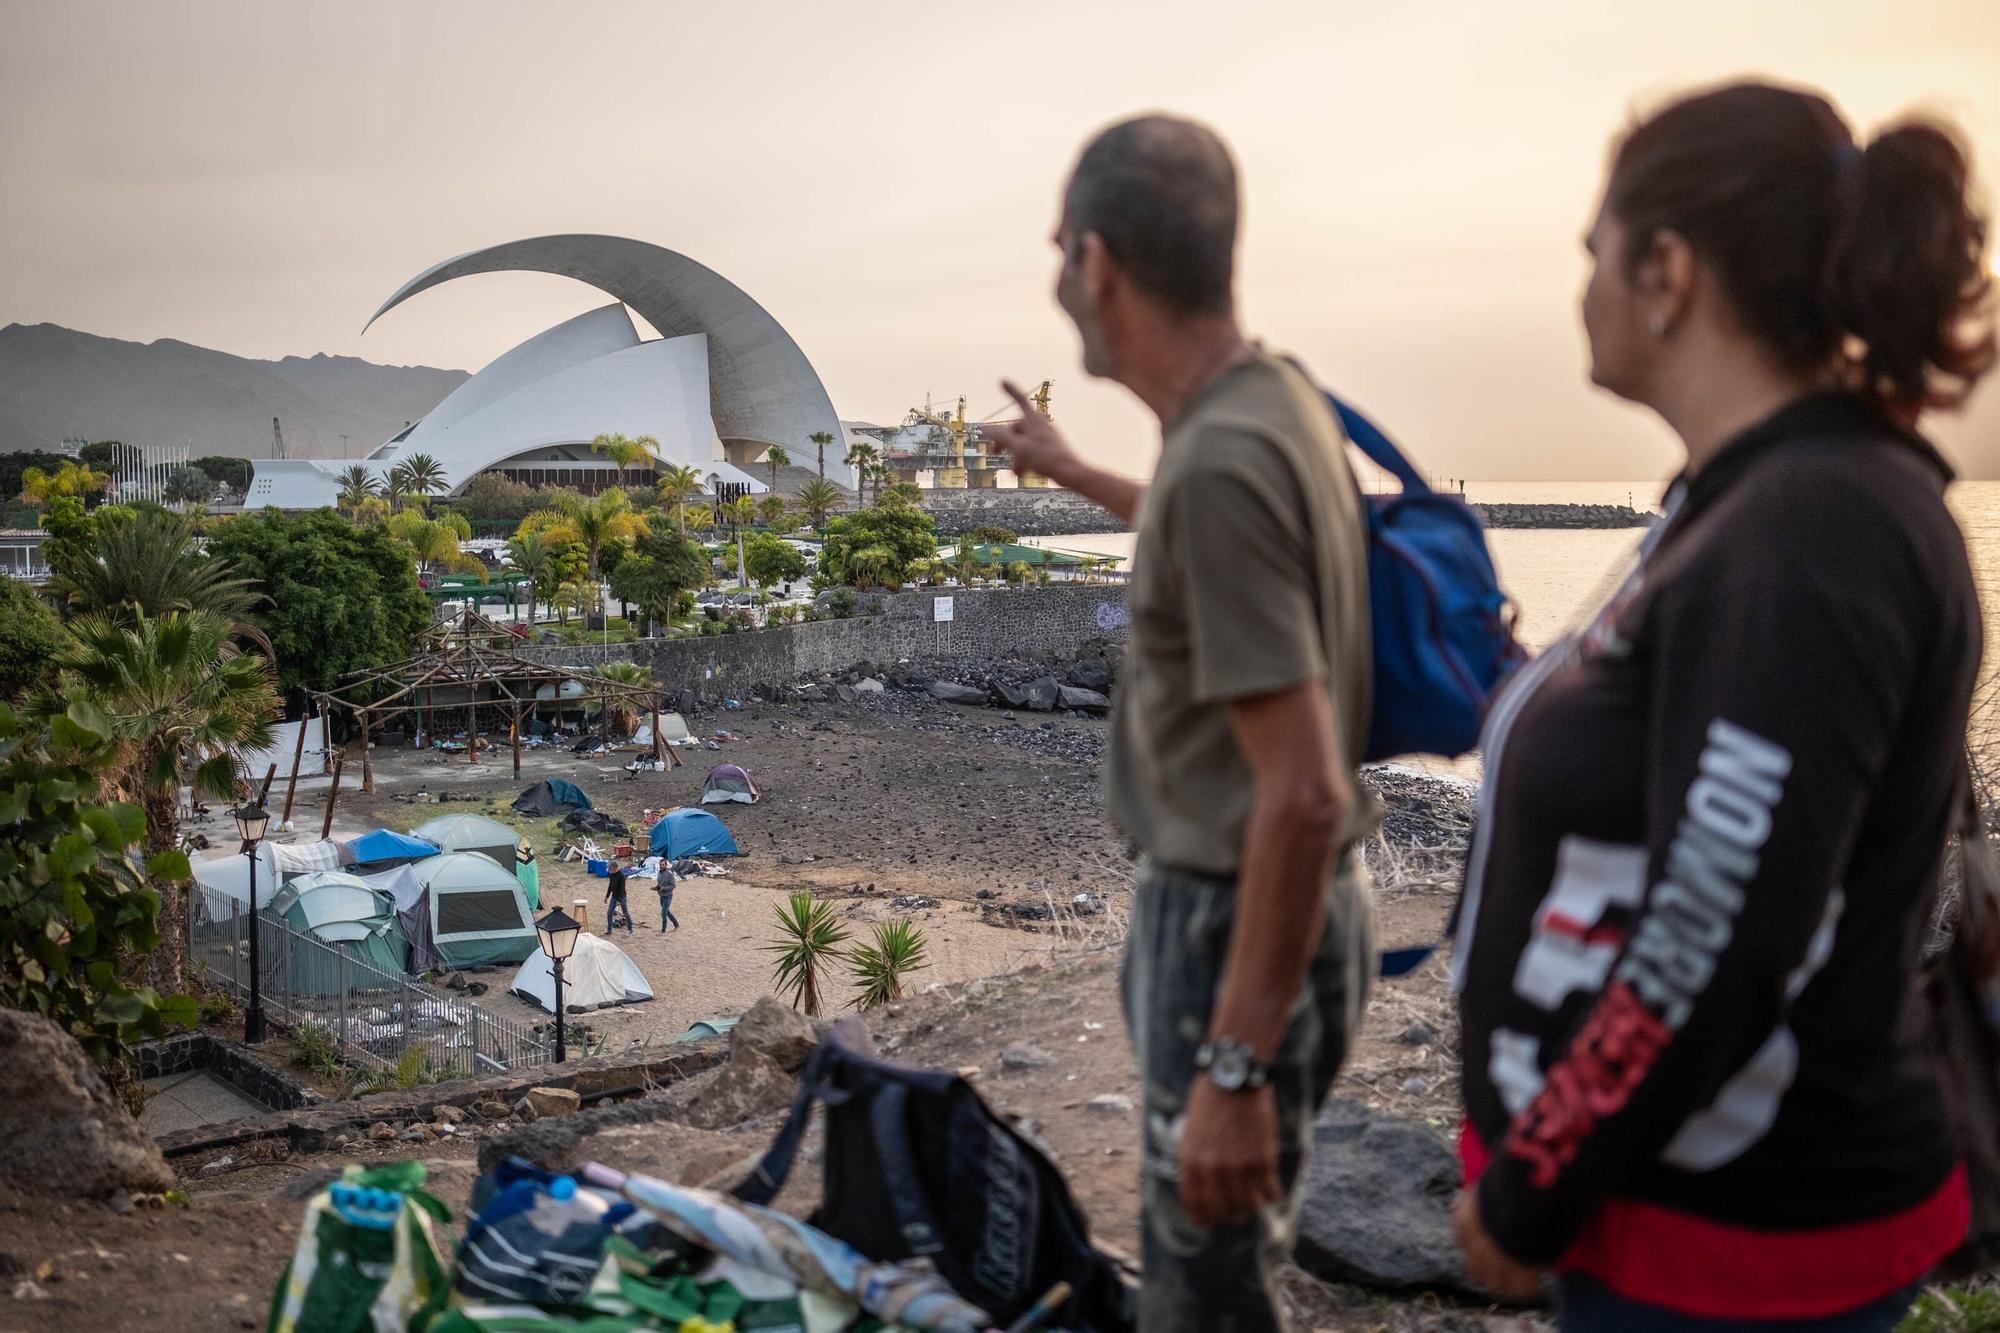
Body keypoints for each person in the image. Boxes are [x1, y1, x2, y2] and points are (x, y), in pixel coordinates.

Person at [1451, 81, 1994, 1330]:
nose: (1577, 283)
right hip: (1670, 1210)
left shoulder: (1816, 520)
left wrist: (1533, 1187)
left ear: (1666, 271)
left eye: (1590, 249)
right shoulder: (1745, 495)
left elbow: (1722, 919)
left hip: (1733, 1242)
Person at [987, 114, 1375, 1332]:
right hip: (1291, 907)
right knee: (1219, 1261)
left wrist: (1231, 1065)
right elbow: (1209, 524)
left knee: (1203, 1289)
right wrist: (1070, 472)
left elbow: (1302, 792)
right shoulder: (1271, 404)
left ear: (1096, 264)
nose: (1058, 280)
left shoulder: (1219, 460)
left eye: (1058, 251)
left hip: (1232, 917)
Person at [604, 860, 634, 933]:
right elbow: (610, 886)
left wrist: (619, 900)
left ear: (614, 868)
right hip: (614, 897)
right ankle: (609, 930)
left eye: (610, 869)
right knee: (609, 913)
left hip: (622, 897)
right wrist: (607, 896)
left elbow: (622, 889)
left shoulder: (622, 876)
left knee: (625, 914)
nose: (610, 871)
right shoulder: (611, 875)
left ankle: (630, 929)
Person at [515, 841, 540, 910]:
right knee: (526, 885)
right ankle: (531, 904)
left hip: (527, 865)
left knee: (532, 885)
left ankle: (533, 904)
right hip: (522, 865)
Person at [656, 863, 680, 931]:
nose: (661, 866)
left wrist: (663, 888)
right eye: (660, 865)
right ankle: (676, 924)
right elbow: (659, 884)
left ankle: (663, 930)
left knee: (663, 913)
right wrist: (656, 888)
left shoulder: (669, 875)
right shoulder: (659, 873)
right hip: (661, 896)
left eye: (663, 865)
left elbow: (673, 886)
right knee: (667, 912)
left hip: (668, 896)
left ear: (666, 865)